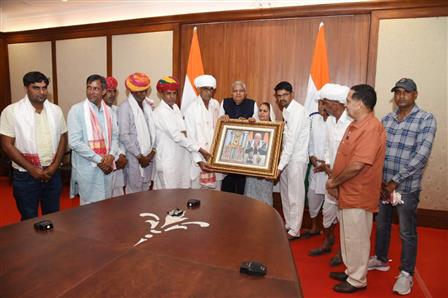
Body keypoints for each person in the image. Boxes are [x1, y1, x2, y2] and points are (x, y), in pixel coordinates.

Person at [368, 78, 437, 296]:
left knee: (407, 232)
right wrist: (380, 180)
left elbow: (421, 156)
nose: (401, 96)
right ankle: (380, 259)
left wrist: (394, 181)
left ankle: (406, 273)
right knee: (381, 225)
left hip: (405, 187)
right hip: (383, 186)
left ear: (415, 94)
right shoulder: (386, 119)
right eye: (397, 92)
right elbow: (377, 151)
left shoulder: (426, 119)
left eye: (406, 92)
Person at [326, 84, 386, 293]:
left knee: (357, 237)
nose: (346, 103)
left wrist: (334, 182)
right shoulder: (356, 124)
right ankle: (351, 269)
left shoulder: (371, 128)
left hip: (359, 193)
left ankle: (357, 279)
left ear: (360, 104)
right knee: (348, 235)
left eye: (349, 100)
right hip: (347, 191)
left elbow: (358, 164)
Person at [0, 71, 67, 220]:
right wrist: (32, 169)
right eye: (36, 88)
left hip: (52, 174)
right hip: (25, 176)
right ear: (26, 88)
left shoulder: (55, 110)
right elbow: (7, 145)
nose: (41, 92)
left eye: (44, 88)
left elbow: (63, 138)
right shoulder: (12, 112)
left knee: (53, 217)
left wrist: (55, 165)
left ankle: (51, 244)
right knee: (28, 220)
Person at [308, 83, 351, 260]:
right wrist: (325, 163)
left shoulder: (351, 123)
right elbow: (327, 146)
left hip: (346, 179)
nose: (323, 106)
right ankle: (328, 241)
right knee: (328, 213)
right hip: (330, 178)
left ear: (338, 103)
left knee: (344, 218)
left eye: (326, 102)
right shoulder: (331, 121)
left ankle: (343, 252)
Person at [67, 74, 119, 205]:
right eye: (88, 88)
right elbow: (74, 142)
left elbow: (115, 136)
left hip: (107, 167)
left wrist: (111, 155)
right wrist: (100, 160)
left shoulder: (109, 111)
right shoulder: (77, 110)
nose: (91, 92)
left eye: (95, 89)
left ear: (103, 91)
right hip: (88, 169)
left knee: (107, 206)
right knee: (89, 210)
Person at [152, 76, 210, 189]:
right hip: (168, 162)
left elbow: (185, 133)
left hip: (181, 161)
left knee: (181, 196)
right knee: (167, 199)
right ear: (160, 94)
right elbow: (177, 136)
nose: (172, 97)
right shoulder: (160, 112)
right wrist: (200, 149)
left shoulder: (176, 108)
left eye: (174, 93)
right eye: (168, 93)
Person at [275, 81, 310, 240]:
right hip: (287, 159)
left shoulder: (297, 111)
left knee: (295, 195)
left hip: (296, 159)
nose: (282, 98)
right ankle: (289, 224)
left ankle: (295, 230)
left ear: (292, 94)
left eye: (285, 95)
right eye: (279, 95)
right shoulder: (286, 111)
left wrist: (279, 167)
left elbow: (291, 142)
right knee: (286, 194)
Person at [118, 72, 156, 194]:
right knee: (133, 194)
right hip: (134, 158)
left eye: (145, 91)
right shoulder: (125, 107)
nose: (143, 94)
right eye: (140, 91)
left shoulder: (148, 106)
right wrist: (139, 157)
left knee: (146, 190)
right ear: (132, 91)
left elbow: (153, 131)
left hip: (148, 157)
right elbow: (124, 135)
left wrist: (152, 152)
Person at [219, 80, 258, 194]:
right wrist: (222, 118)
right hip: (227, 149)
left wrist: (250, 122)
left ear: (245, 93)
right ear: (232, 93)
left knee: (242, 183)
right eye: (235, 91)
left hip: (244, 150)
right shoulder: (225, 102)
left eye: (241, 91)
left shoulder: (253, 104)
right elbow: (218, 124)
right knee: (227, 183)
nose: (238, 93)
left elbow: (257, 126)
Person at [184, 74, 222, 189]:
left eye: (211, 89)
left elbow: (218, 129)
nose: (209, 92)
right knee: (198, 196)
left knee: (216, 196)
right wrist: (199, 161)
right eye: (205, 89)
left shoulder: (215, 104)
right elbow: (190, 138)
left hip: (214, 159)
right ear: (200, 89)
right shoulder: (191, 108)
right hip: (198, 160)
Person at [244, 102, 276, 206]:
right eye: (260, 110)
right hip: (252, 173)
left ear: (270, 113)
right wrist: (248, 124)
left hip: (265, 174)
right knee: (250, 200)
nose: (262, 113)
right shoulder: (253, 126)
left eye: (265, 111)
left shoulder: (276, 130)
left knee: (265, 201)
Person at [306, 97, 329, 237]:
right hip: (315, 166)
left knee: (330, 205)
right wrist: (311, 156)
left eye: (325, 103)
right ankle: (314, 227)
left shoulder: (336, 122)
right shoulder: (313, 120)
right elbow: (308, 141)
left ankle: (328, 233)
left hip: (329, 169)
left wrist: (326, 164)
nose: (322, 106)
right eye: (320, 103)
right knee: (312, 197)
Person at [104, 76, 127, 196]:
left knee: (117, 199)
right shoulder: (98, 112)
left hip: (119, 162)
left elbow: (121, 136)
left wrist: (122, 154)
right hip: (105, 163)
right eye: (108, 91)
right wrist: (115, 158)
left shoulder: (118, 110)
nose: (112, 94)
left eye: (114, 91)